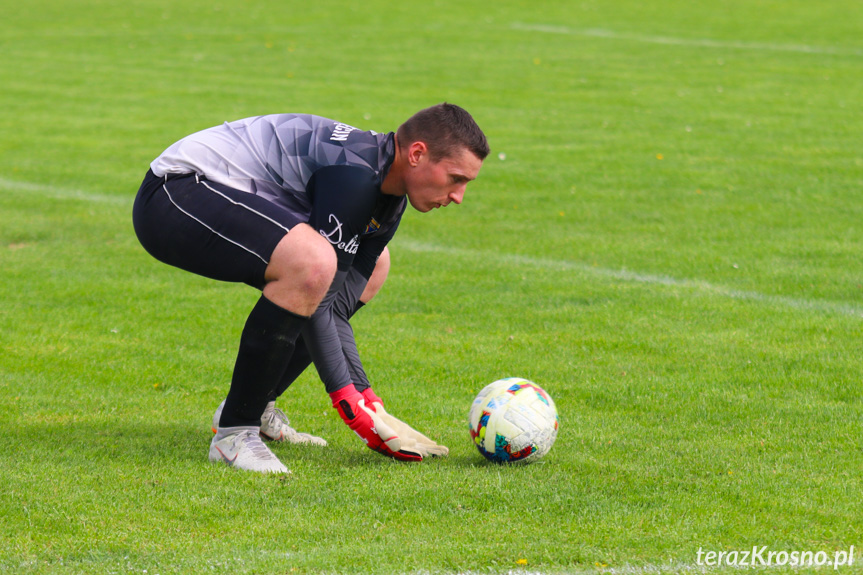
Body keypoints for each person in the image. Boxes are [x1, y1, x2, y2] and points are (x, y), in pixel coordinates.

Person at [132, 103, 489, 473]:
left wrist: (371, 402)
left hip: (205, 194)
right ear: (417, 154)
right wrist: (355, 410)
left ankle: (258, 405)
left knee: (374, 266)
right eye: (456, 178)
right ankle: (234, 434)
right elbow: (321, 297)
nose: (459, 196)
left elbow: (331, 305)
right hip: (174, 192)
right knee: (312, 263)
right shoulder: (354, 177)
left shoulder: (389, 192)